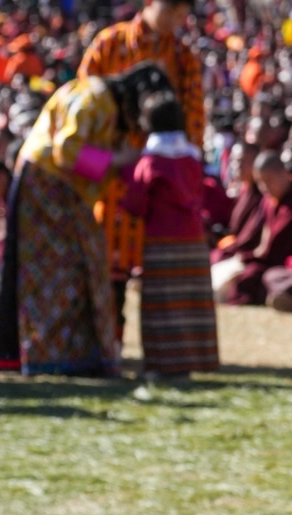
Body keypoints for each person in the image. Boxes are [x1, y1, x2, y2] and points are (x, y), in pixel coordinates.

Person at [0, 64, 173, 377]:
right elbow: (67, 150)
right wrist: (119, 160)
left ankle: (76, 355)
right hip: (47, 187)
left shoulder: (99, 97)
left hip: (60, 190)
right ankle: (55, 355)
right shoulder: (95, 96)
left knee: (78, 269)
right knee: (57, 272)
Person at [78, 0, 204, 327]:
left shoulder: (183, 56)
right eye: (171, 9)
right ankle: (108, 346)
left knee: (160, 274)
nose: (177, 19)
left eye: (183, 13)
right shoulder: (109, 44)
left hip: (157, 184)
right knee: (107, 271)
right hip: (107, 176)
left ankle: (163, 355)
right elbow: (83, 101)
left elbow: (193, 126)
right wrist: (107, 157)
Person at [120, 93, 218, 378]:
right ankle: (190, 361)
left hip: (162, 242)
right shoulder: (192, 157)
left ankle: (163, 364)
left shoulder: (150, 162)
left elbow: (136, 204)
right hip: (193, 241)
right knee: (189, 304)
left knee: (161, 307)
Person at [219, 152, 292, 306]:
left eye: (269, 181)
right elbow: (263, 243)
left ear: (284, 174)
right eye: (260, 182)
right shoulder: (268, 202)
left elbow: (277, 248)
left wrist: (251, 257)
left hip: (286, 263)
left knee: (252, 276)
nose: (265, 188)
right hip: (267, 260)